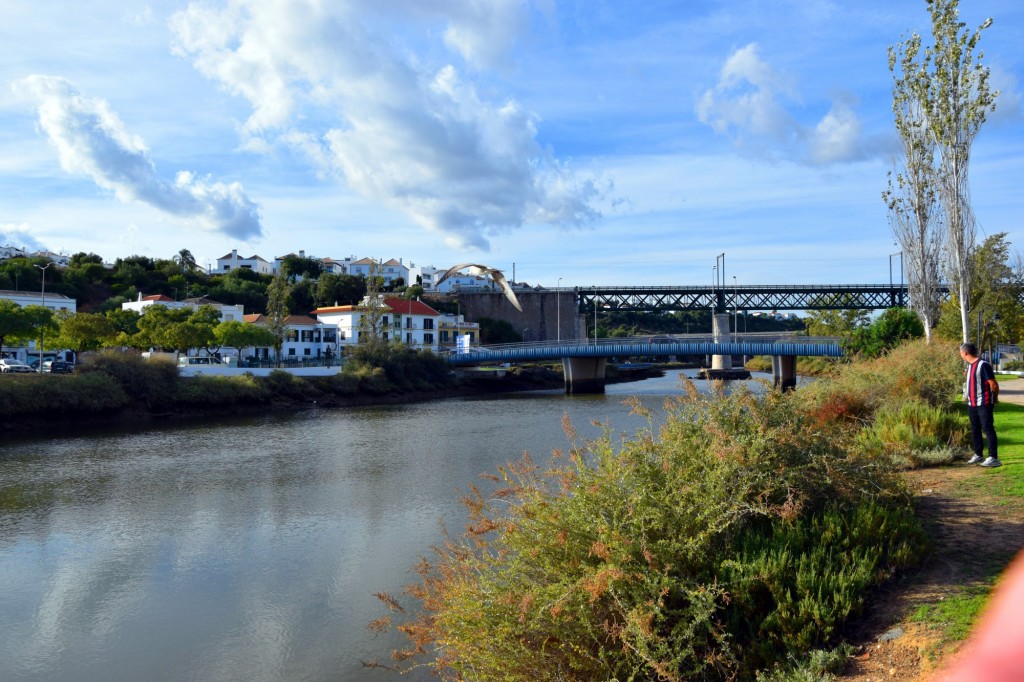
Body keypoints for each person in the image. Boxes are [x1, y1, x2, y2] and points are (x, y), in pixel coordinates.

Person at [960, 342, 1000, 467]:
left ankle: (993, 457)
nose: (960, 354)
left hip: (984, 403)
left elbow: (993, 384)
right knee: (975, 429)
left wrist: (995, 398)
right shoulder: (970, 366)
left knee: (987, 428)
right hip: (972, 403)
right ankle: (978, 454)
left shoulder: (983, 365)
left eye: (960, 352)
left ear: (965, 353)